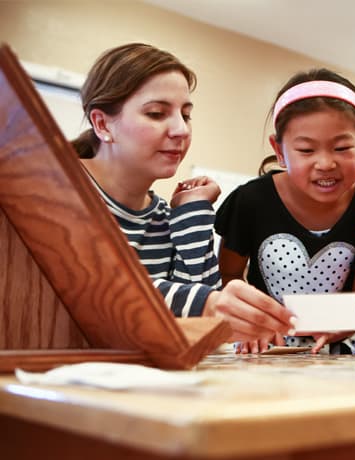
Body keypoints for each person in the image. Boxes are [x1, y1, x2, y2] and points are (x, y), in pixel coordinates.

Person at [71, 43, 295, 348]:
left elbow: (198, 322)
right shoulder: (55, 188)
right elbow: (88, 283)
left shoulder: (167, 216)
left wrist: (194, 211)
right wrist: (208, 304)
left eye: (186, 115)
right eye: (156, 113)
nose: (181, 130)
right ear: (102, 123)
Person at [215, 69, 355, 354]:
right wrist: (249, 322)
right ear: (280, 150)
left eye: (342, 147)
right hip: (262, 350)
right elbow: (227, 278)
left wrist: (338, 324)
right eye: (306, 150)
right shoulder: (250, 201)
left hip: (337, 355)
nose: (325, 163)